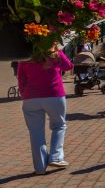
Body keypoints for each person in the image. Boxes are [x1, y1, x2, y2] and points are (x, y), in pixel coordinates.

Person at [17, 43, 73, 174]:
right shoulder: (54, 54)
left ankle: (40, 167)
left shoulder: (26, 56)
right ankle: (56, 157)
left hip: (31, 98)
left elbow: (21, 78)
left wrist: (24, 94)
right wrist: (57, 50)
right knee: (59, 125)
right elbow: (68, 66)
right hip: (54, 95)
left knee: (35, 132)